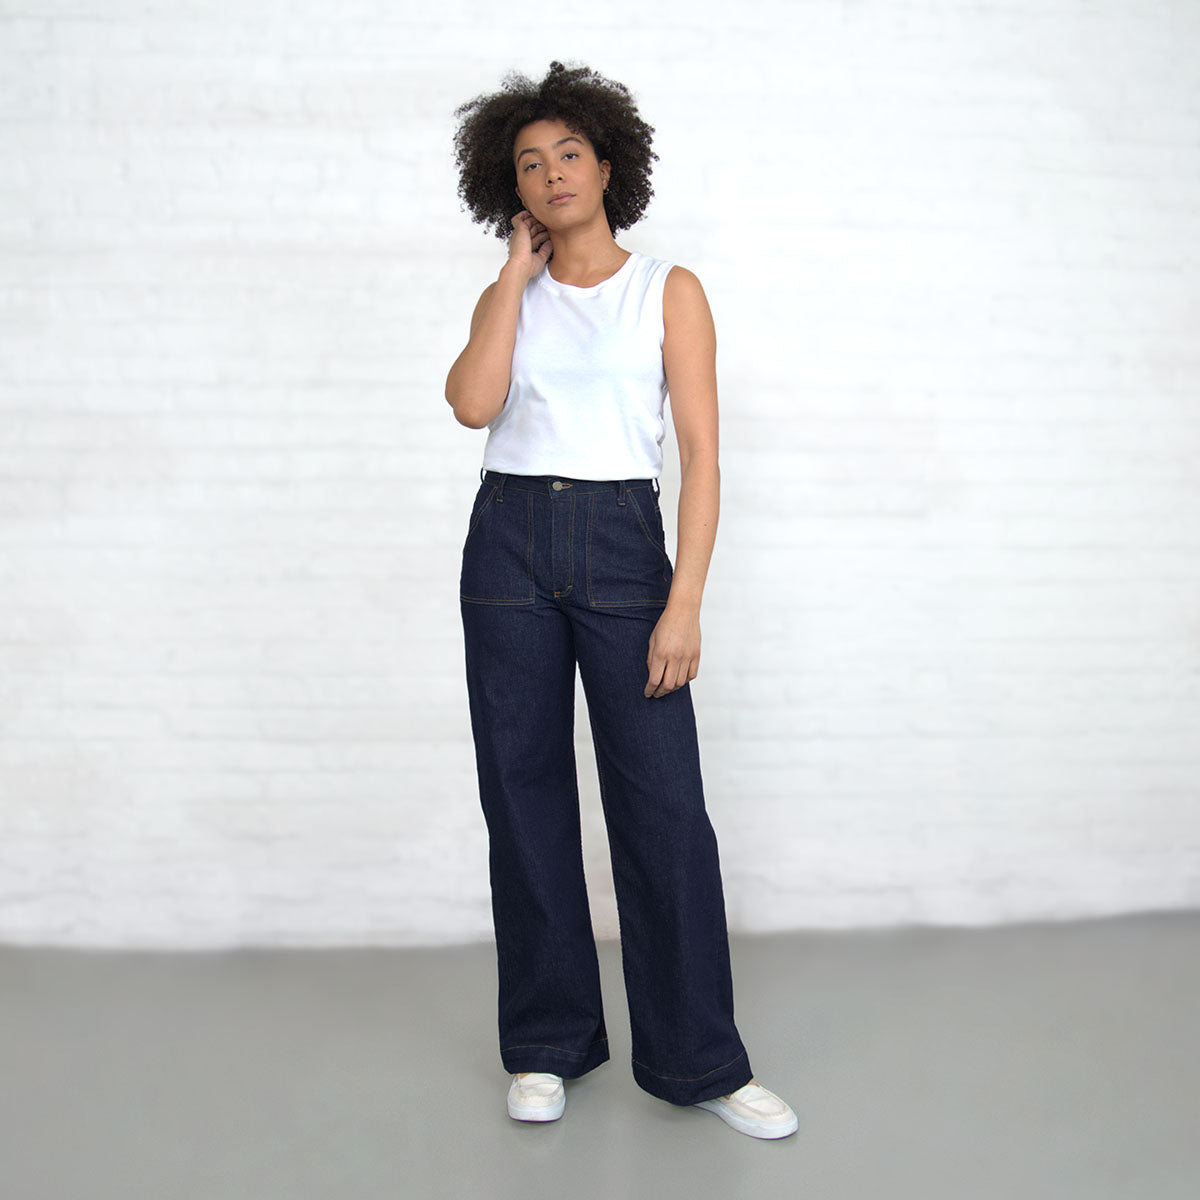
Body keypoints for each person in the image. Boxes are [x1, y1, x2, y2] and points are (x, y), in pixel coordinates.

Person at [445, 60, 797, 1141]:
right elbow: (471, 406)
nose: (552, 173)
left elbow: (701, 456)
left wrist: (682, 603)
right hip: (507, 545)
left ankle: (700, 1060)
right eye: (529, 163)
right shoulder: (510, 295)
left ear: (608, 165)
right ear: (510, 187)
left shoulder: (667, 290)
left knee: (663, 809)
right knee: (523, 796)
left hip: (620, 549)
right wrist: (513, 279)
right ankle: (546, 1043)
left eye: (569, 154)